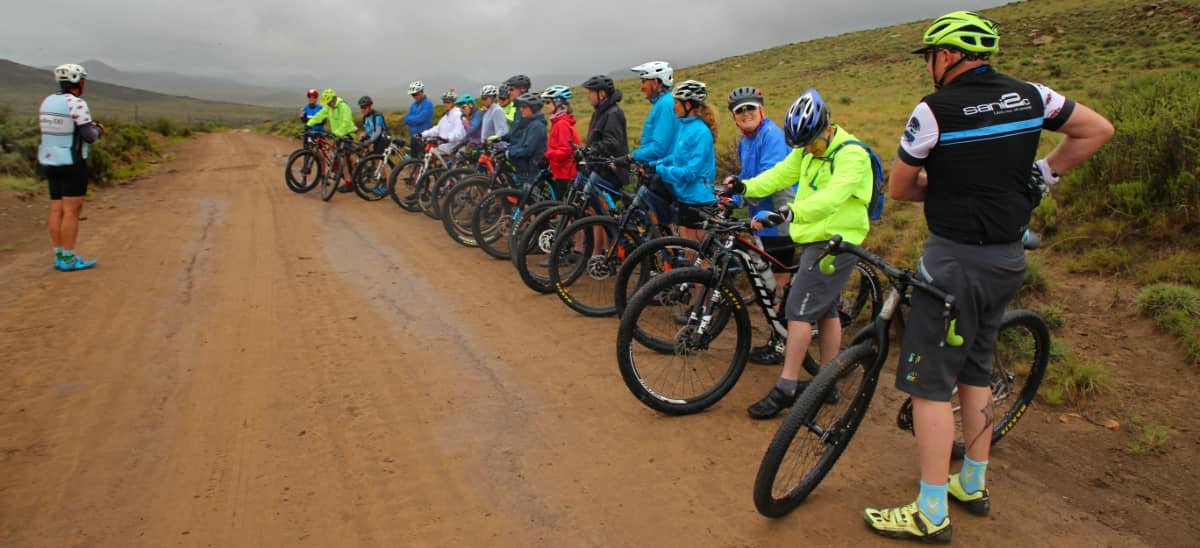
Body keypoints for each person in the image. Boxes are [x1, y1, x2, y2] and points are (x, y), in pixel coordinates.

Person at [863, 11, 1113, 542]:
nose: (928, 66)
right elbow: (1097, 129)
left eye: (930, 56)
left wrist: (951, 189)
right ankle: (972, 482)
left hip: (953, 261)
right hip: (1007, 259)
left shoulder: (934, 109)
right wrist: (1043, 174)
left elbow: (904, 188)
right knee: (976, 369)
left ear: (947, 56)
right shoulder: (1032, 95)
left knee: (930, 387)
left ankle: (930, 512)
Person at [722, 89, 873, 420]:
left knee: (798, 312)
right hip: (817, 237)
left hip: (836, 241)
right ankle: (827, 382)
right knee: (827, 310)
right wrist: (745, 188)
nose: (808, 151)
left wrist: (790, 213)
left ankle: (786, 387)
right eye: (803, 146)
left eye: (813, 144)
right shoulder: (805, 149)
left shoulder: (852, 155)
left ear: (827, 127)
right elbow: (780, 174)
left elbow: (833, 197)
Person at [728, 86, 795, 366]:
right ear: (734, 117)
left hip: (780, 217)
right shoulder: (746, 141)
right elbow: (748, 176)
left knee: (778, 282)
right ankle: (780, 334)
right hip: (760, 218)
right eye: (739, 111)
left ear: (761, 110)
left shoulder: (772, 136)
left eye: (750, 108)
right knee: (769, 280)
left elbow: (769, 178)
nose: (745, 114)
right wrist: (730, 193)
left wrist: (738, 197)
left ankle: (781, 344)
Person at [38, 63, 104, 271]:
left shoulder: (47, 101)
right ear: (79, 81)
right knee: (71, 211)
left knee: (56, 209)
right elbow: (89, 136)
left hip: (49, 159)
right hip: (72, 161)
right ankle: (69, 259)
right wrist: (99, 131)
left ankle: (59, 256)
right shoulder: (76, 103)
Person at [649, 80, 718, 240]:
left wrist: (661, 171)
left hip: (699, 200)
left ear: (688, 105)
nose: (674, 107)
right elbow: (676, 157)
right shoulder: (684, 126)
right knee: (688, 253)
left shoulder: (701, 132)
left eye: (677, 103)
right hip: (685, 197)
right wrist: (655, 164)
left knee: (698, 258)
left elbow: (691, 172)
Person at [580, 75, 629, 188]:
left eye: (591, 92)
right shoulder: (599, 112)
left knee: (600, 204)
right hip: (599, 169)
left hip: (610, 172)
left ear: (601, 94)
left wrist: (592, 149)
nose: (588, 96)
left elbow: (612, 141)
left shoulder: (613, 113)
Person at [306, 88, 358, 191]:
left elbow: (346, 122)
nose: (328, 105)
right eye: (327, 103)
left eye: (328, 102)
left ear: (333, 99)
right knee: (339, 157)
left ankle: (352, 178)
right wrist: (309, 124)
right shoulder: (329, 107)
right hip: (338, 135)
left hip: (348, 133)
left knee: (343, 157)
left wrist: (336, 133)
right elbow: (319, 116)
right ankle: (350, 179)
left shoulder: (343, 106)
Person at [630, 61, 678, 164]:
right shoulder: (664, 102)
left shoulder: (665, 105)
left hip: (662, 170)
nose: (641, 87)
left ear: (655, 82)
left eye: (644, 82)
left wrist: (632, 156)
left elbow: (659, 148)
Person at [541, 85, 581, 197]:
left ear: (558, 103)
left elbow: (565, 150)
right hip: (561, 171)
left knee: (564, 210)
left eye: (548, 102)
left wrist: (547, 156)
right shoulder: (558, 122)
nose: (545, 105)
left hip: (566, 173)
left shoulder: (561, 124)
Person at [503, 92, 548, 186]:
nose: (521, 109)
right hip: (528, 170)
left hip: (532, 172)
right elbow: (521, 145)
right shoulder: (531, 123)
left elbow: (528, 150)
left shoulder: (536, 126)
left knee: (528, 199)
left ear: (533, 108)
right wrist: (508, 150)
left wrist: (509, 153)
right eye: (521, 107)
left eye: (524, 107)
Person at [421, 90, 466, 154]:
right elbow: (437, 129)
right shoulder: (445, 116)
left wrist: (446, 139)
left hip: (454, 150)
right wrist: (423, 134)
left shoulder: (458, 115)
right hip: (443, 149)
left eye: (448, 102)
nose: (445, 104)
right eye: (444, 102)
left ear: (453, 102)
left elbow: (458, 133)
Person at [403, 80, 434, 159]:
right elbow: (406, 119)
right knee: (414, 161)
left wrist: (412, 119)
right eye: (412, 95)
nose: (414, 96)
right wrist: (414, 119)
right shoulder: (414, 105)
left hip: (423, 139)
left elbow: (420, 119)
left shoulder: (428, 104)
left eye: (415, 94)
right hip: (413, 137)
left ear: (421, 92)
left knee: (422, 162)